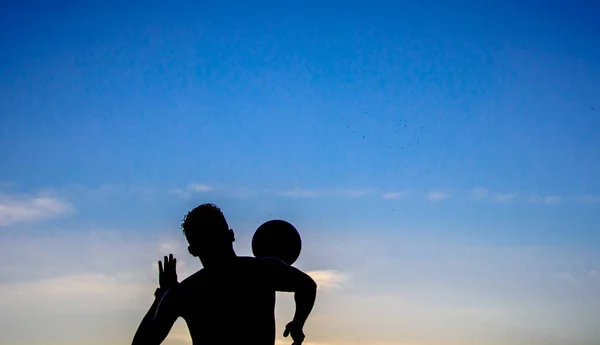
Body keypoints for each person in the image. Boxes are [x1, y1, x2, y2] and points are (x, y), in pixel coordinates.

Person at [131, 203, 318, 345]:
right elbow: (307, 286)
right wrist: (298, 322)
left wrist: (162, 294)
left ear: (193, 250)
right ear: (231, 235)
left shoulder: (184, 293)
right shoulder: (262, 270)